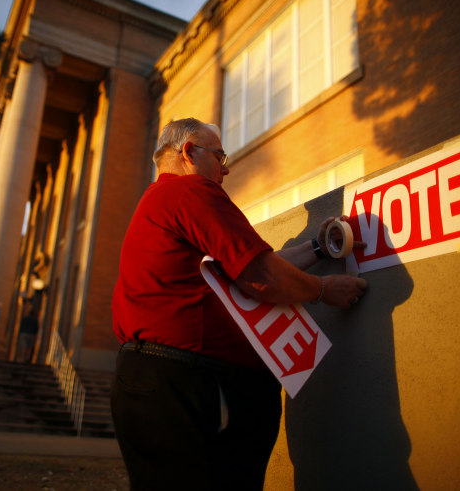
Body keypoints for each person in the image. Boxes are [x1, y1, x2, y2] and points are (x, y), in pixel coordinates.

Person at [111, 118, 367, 490]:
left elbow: (250, 266)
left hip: (145, 378)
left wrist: (317, 247)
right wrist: (324, 290)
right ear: (188, 153)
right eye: (219, 155)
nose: (226, 167)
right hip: (188, 383)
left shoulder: (157, 201)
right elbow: (261, 276)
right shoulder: (191, 191)